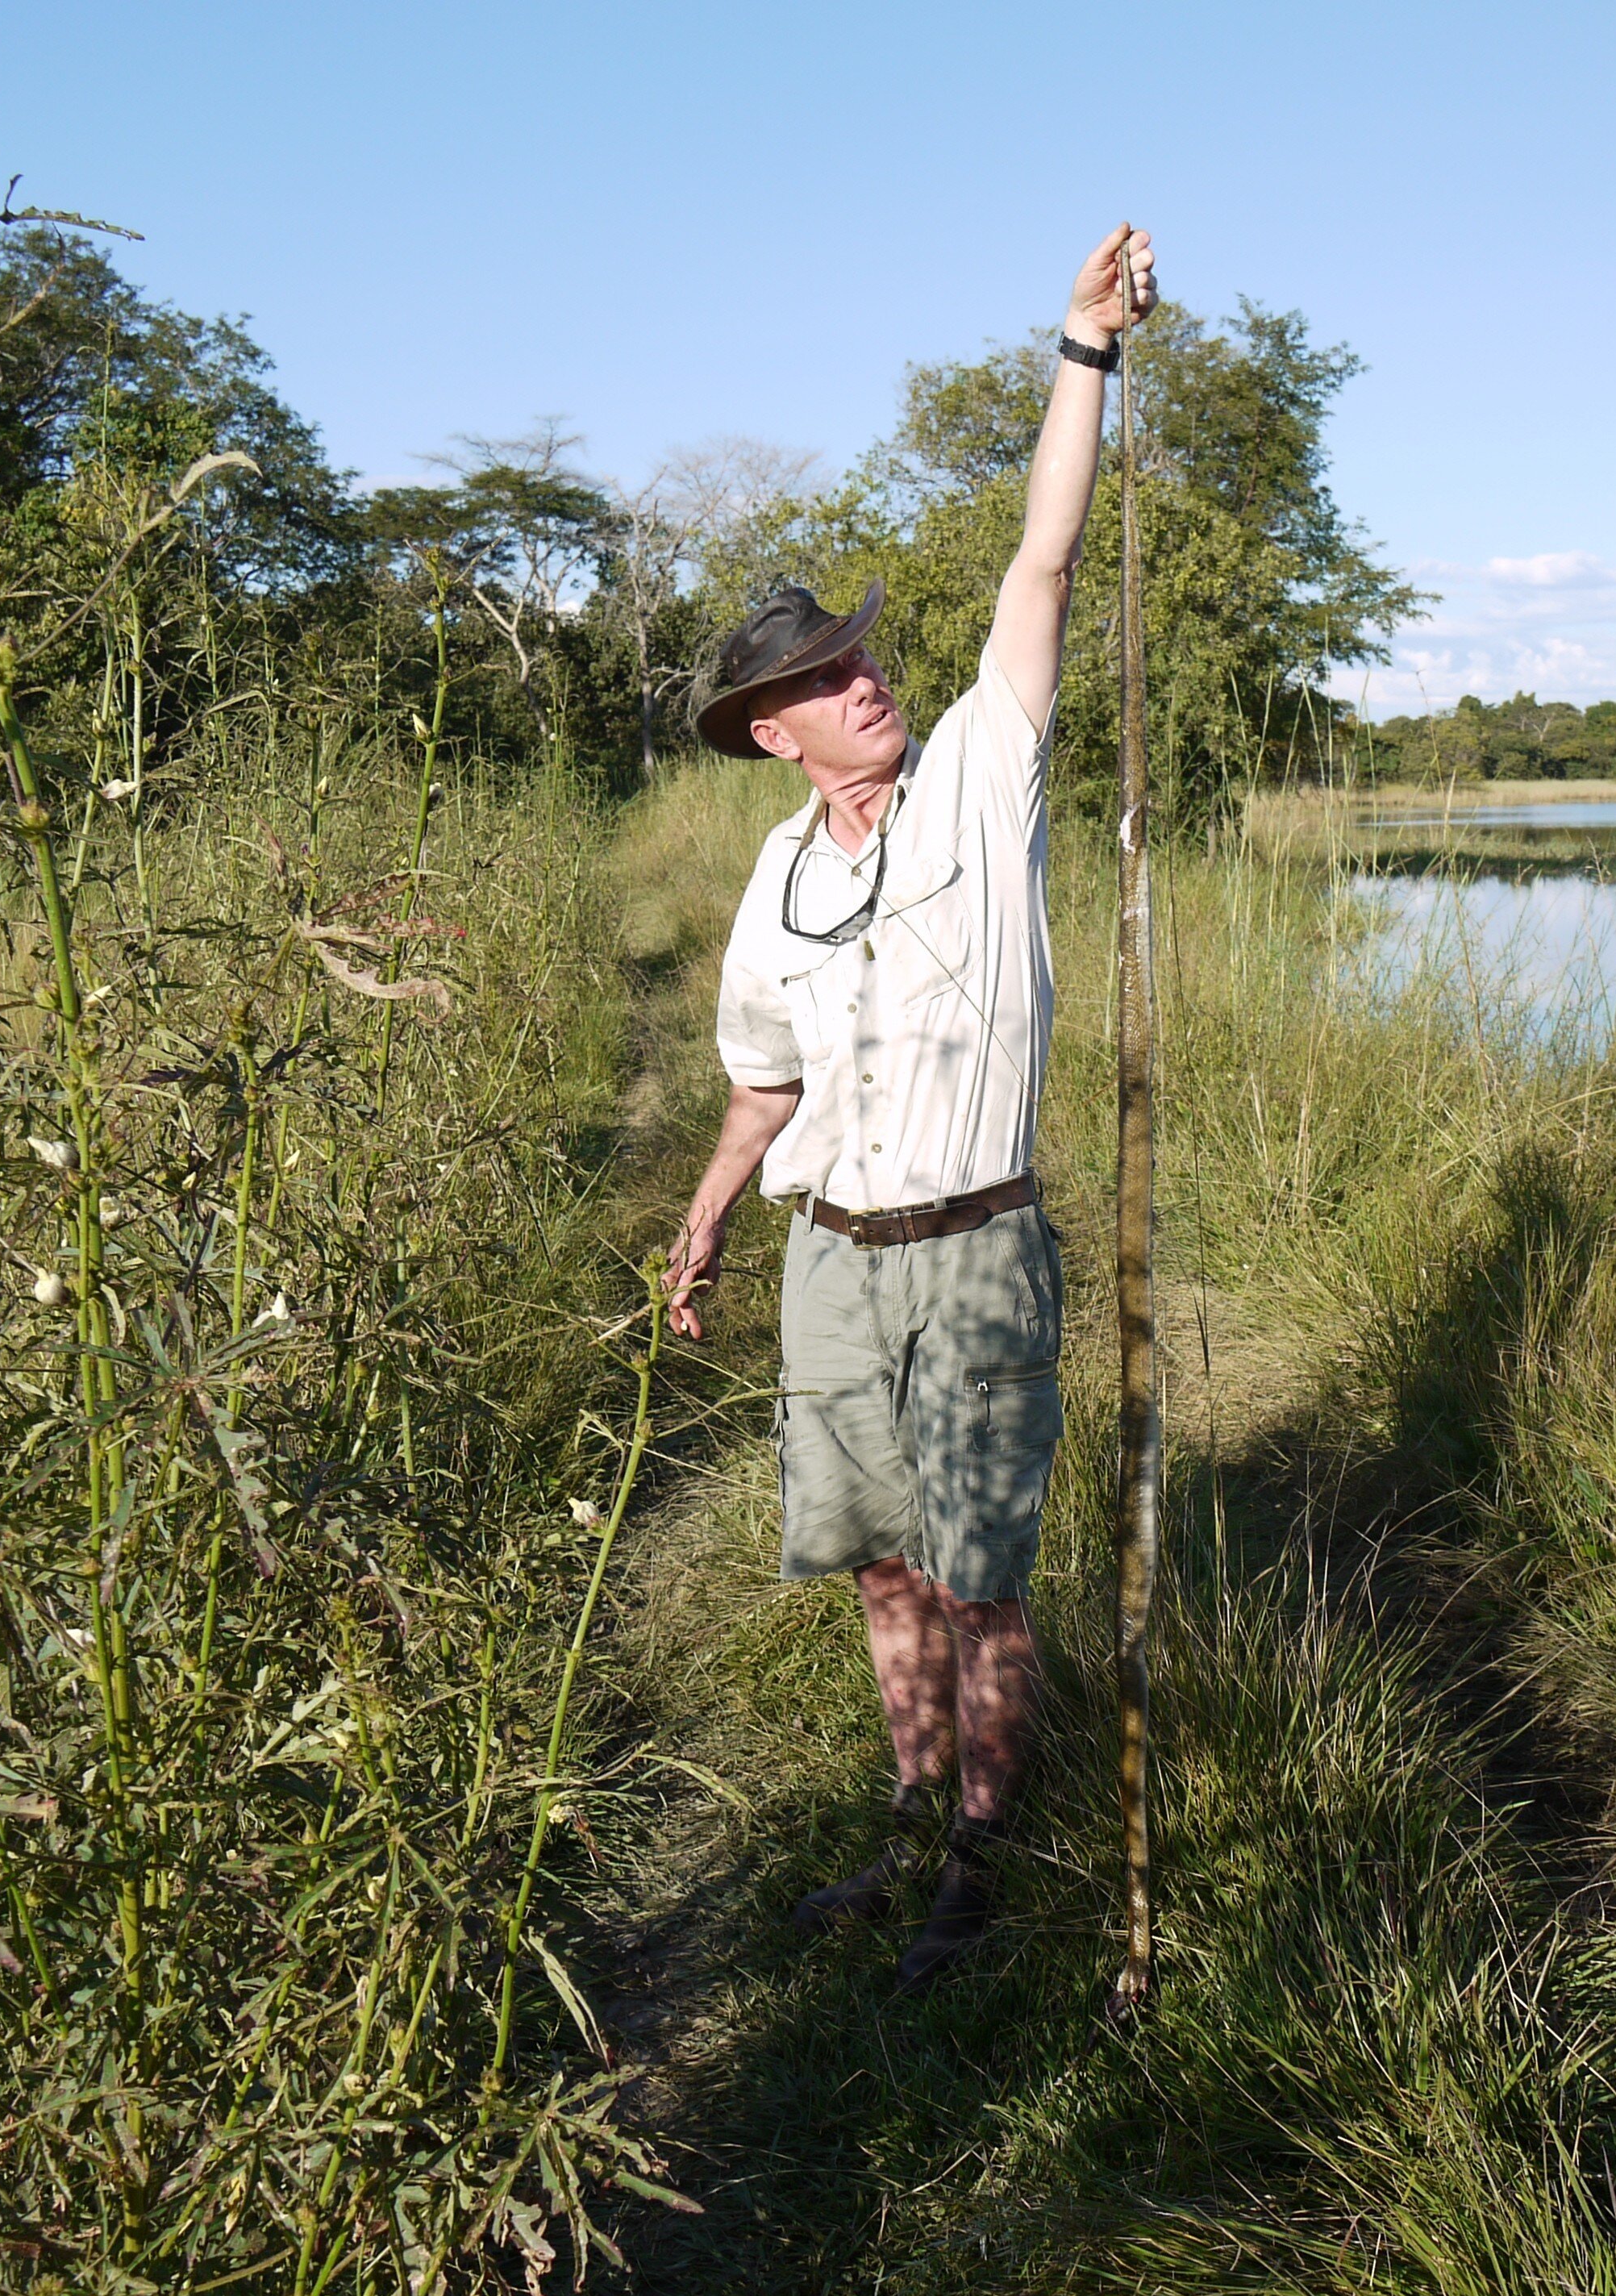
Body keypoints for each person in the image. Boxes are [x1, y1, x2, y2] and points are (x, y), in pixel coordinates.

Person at [664, 223, 1158, 1994]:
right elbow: (759, 1077)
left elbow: (1039, 560)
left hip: (973, 1252)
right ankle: (904, 1804)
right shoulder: (777, 879)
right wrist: (712, 1213)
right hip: (827, 1260)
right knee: (876, 1570)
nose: (855, 678)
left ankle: (980, 1848)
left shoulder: (973, 775)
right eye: (816, 681)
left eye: (856, 659)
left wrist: (1079, 350)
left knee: (976, 1582)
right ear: (767, 736)